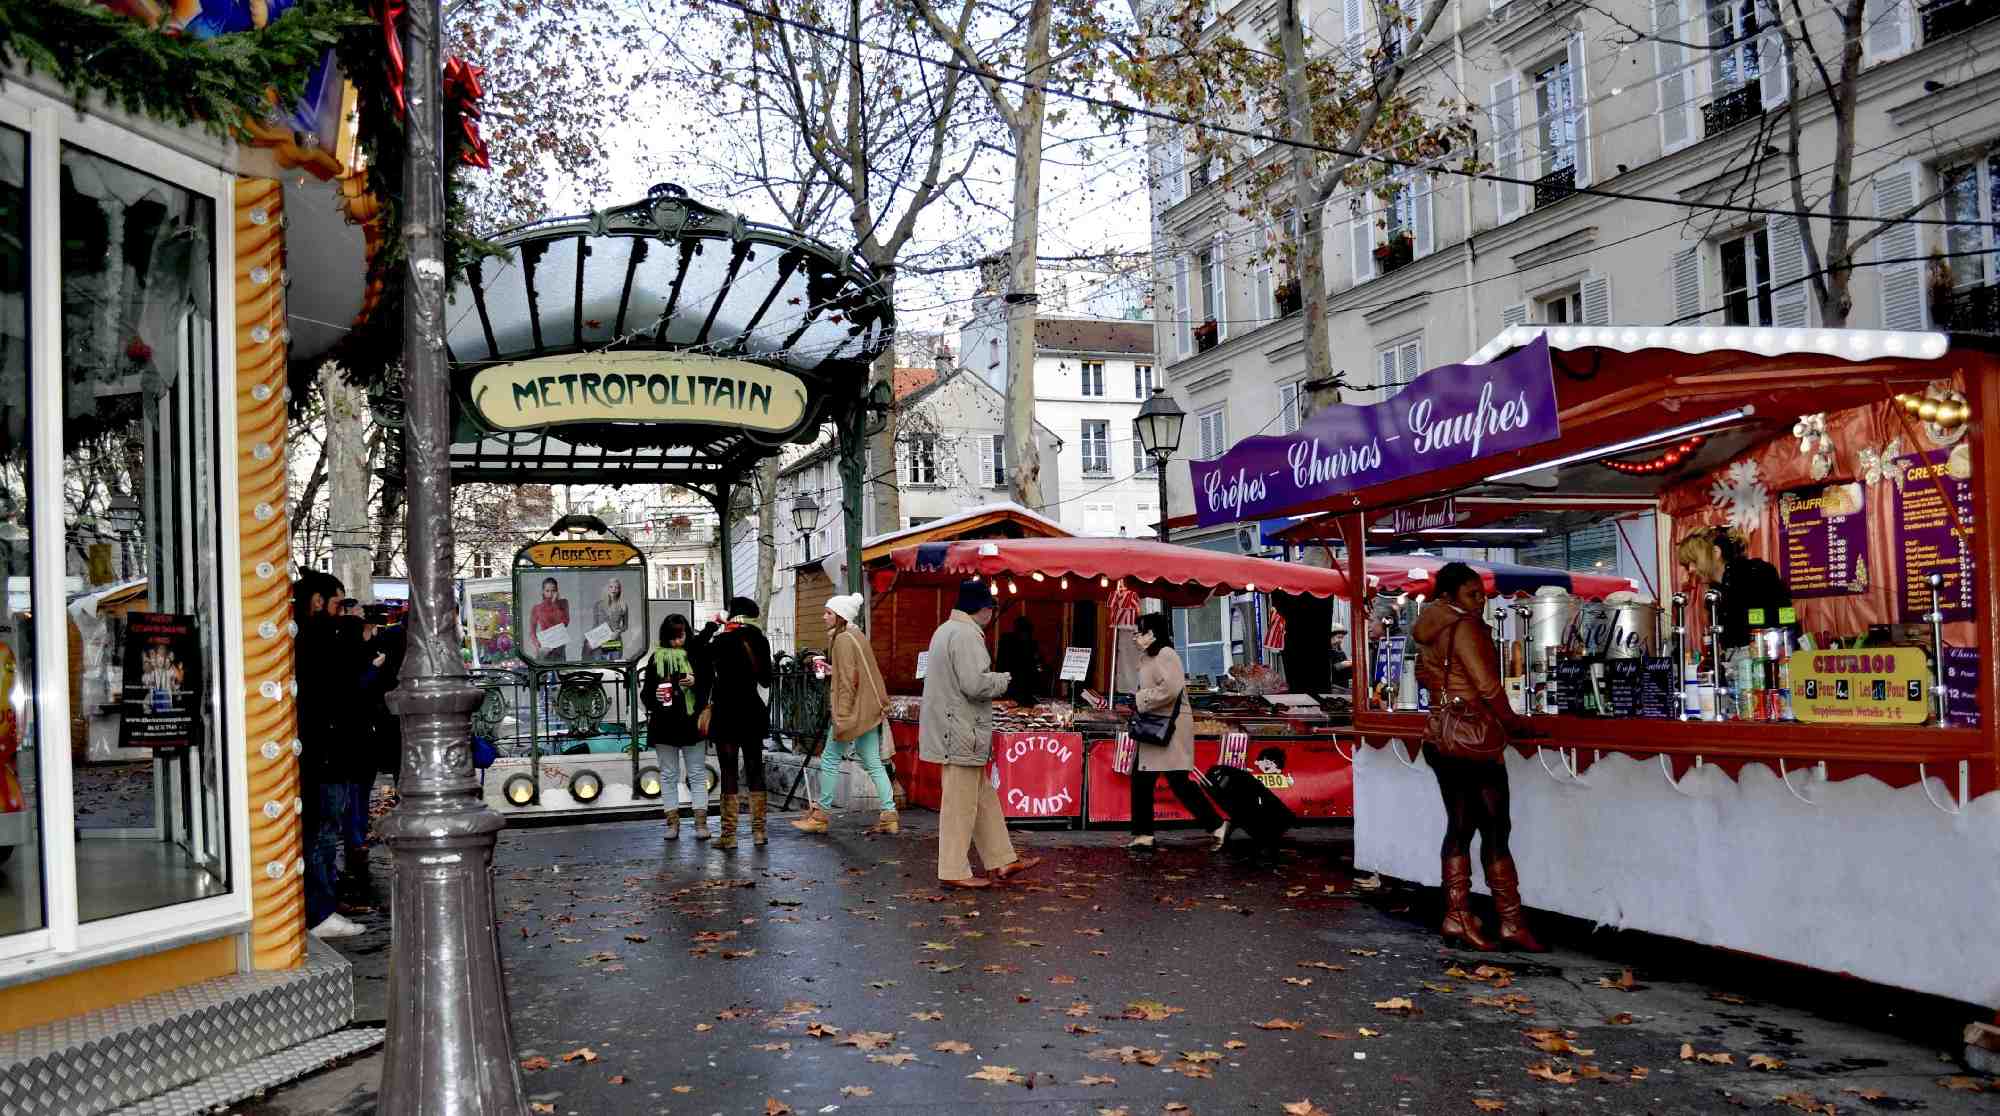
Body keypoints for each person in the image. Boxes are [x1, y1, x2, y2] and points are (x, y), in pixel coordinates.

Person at [1410, 561, 1544, 952]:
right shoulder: (1464, 624)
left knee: (1461, 826)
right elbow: (1486, 683)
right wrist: (1513, 722)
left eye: (1482, 594)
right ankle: (1510, 921)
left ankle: (1458, 916)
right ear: (1451, 596)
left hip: (1440, 734)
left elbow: (1423, 675)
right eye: (1472, 594)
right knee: (1495, 827)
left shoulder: (1427, 627)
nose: (1480, 601)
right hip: (1472, 736)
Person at [918, 580, 1042, 889]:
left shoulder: (945, 630)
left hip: (955, 729)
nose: (992, 614)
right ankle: (953, 870)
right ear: (983, 609)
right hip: (962, 730)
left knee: (983, 799)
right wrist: (1006, 680)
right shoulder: (967, 635)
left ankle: (1002, 859)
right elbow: (975, 685)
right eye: (991, 608)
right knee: (960, 805)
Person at [294, 572, 363, 939]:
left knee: (323, 831)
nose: (344, 611)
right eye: (339, 603)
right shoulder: (319, 638)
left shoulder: (309, 637)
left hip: (324, 754)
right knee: (322, 832)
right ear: (318, 602)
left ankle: (324, 903)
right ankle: (320, 911)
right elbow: (340, 689)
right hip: (325, 756)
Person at [793, 593, 897, 836]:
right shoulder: (856, 635)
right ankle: (889, 814)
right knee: (872, 761)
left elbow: (848, 682)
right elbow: (855, 672)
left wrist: (841, 716)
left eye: (828, 613)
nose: (823, 617)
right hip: (868, 709)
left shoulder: (842, 640)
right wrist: (833, 670)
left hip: (852, 711)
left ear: (840, 616)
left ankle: (821, 814)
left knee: (829, 758)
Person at [1127, 611, 1229, 851]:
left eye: (1139, 631)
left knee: (1178, 782)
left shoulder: (1166, 654)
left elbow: (1171, 688)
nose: (1135, 636)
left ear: (1152, 633)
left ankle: (1216, 825)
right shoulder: (1149, 656)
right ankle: (1143, 834)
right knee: (1143, 779)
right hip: (1155, 728)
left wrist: (1141, 699)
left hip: (1168, 730)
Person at [700, 597, 773, 848]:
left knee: (729, 770)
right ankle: (759, 832)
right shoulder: (759, 640)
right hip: (752, 712)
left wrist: (712, 626)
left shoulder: (719, 642)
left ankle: (729, 835)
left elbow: (696, 653)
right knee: (754, 769)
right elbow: (766, 680)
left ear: (730, 615)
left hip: (725, 713)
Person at [1675, 524, 1798, 651]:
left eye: (1694, 562)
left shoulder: (1757, 573)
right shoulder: (1714, 593)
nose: (1691, 569)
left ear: (1716, 552)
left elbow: (1786, 626)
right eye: (1687, 565)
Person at [640, 614, 708, 840]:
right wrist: (656, 697)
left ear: (687, 633)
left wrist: (695, 682)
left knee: (697, 773)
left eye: (680, 636)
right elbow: (646, 695)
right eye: (672, 638)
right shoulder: (656, 659)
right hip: (665, 724)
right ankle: (672, 823)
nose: (677, 642)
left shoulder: (697, 656)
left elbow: (709, 687)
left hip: (692, 723)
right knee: (668, 774)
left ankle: (700, 823)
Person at [996, 615, 1045, 706]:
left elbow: (1001, 665)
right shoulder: (1030, 643)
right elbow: (1037, 665)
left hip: (1011, 685)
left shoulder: (1006, 640)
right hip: (1021, 686)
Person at [530, 577, 570, 662]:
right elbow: (532, 631)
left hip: (559, 645)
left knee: (560, 672)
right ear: (543, 592)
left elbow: (565, 623)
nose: (550, 594)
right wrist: (537, 644)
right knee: (543, 673)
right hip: (545, 646)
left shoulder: (563, 603)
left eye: (553, 590)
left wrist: (554, 603)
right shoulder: (537, 608)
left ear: (557, 591)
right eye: (547, 591)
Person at [591, 577, 630, 662]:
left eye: (616, 587)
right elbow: (594, 625)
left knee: (614, 667)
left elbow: (625, 626)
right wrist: (592, 640)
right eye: (611, 587)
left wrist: (618, 631)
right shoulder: (598, 605)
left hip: (614, 640)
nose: (614, 589)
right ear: (607, 589)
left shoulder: (623, 605)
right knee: (600, 667)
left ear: (619, 590)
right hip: (600, 641)